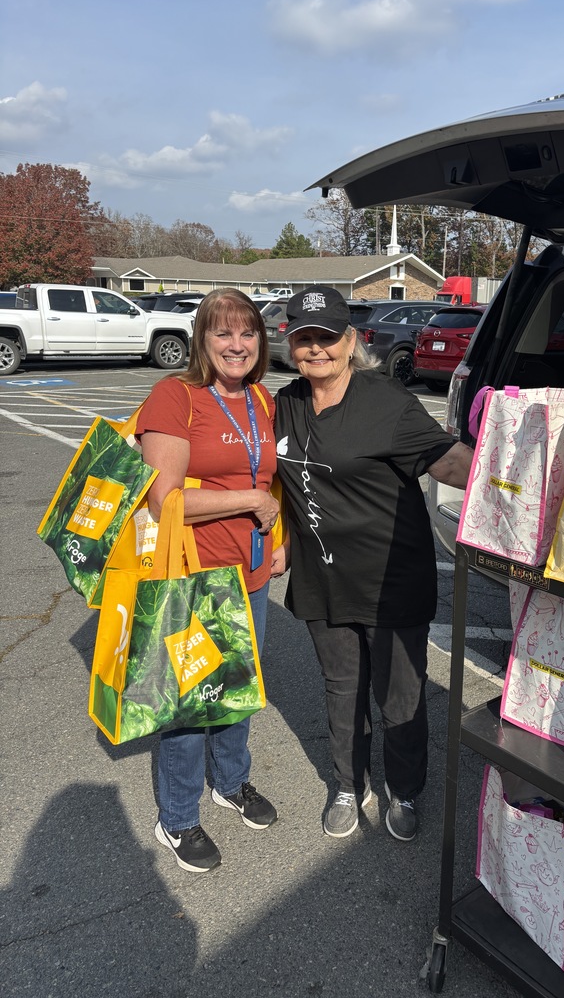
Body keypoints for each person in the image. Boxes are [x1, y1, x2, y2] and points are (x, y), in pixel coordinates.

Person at [274, 286, 474, 842]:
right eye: (305, 338)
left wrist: (520, 479)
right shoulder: (283, 403)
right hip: (324, 582)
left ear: (351, 340)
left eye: (327, 338)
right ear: (292, 344)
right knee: (342, 690)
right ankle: (347, 784)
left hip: (392, 580)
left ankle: (404, 789)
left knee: (399, 697)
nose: (317, 349)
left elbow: (450, 462)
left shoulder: (385, 400)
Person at [136, 287, 284, 873]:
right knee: (190, 702)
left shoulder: (260, 400)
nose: (236, 344)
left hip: (251, 574)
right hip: (193, 576)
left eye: (247, 332)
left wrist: (280, 544)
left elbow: (270, 479)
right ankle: (177, 817)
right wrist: (248, 499)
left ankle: (231, 783)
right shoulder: (176, 397)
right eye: (222, 332)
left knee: (239, 691)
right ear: (202, 339)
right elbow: (160, 499)